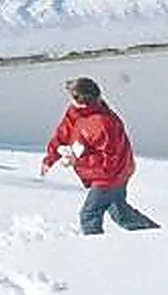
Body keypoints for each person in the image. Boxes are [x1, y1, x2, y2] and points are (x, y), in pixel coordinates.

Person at [41, 77, 159, 236]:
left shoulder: (104, 124)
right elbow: (63, 132)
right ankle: (156, 235)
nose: (69, 101)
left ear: (82, 101)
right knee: (120, 213)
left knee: (89, 215)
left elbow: (109, 162)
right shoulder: (76, 111)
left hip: (113, 175)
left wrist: (78, 160)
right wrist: (50, 157)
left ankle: (96, 252)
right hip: (106, 171)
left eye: (71, 96)